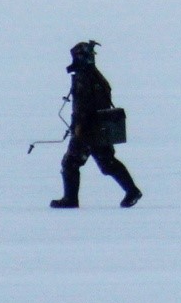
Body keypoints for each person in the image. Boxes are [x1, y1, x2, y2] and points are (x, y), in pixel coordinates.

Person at [52, 39, 142, 209]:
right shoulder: (96, 76)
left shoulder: (84, 78)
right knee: (107, 162)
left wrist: (79, 127)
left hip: (87, 129)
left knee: (71, 163)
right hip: (99, 127)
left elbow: (84, 106)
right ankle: (132, 190)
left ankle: (70, 199)